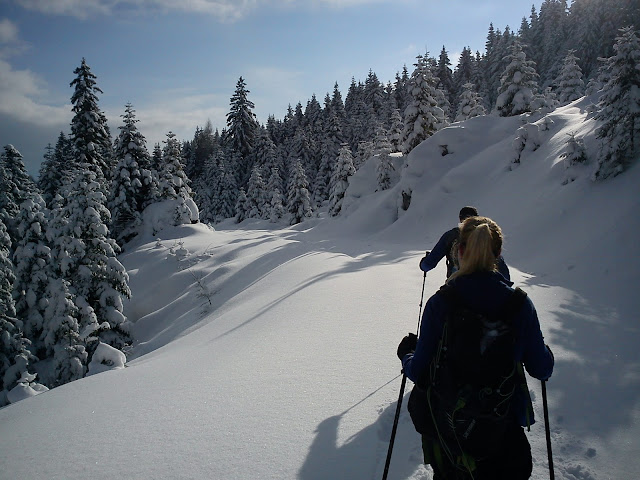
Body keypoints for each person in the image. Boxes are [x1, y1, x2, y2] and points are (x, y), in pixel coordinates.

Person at [398, 216, 554, 479]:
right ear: (498, 253)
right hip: (502, 433)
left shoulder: (441, 302)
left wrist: (407, 355)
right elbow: (542, 369)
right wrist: (544, 350)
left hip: (451, 436)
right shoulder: (519, 304)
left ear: (459, 251)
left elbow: (419, 371)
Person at [419, 206, 510, 280]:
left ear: (460, 218)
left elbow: (427, 265)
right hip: (489, 289)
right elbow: (505, 276)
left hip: (455, 287)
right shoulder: (487, 236)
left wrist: (424, 262)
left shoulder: (450, 236)